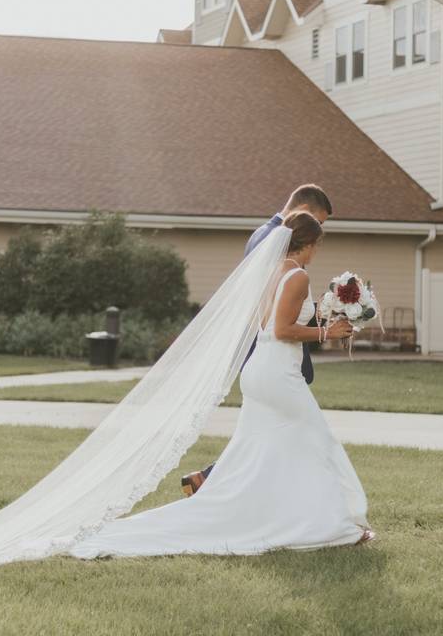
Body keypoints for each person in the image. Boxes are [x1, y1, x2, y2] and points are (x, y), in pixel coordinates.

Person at [67, 212, 373, 559]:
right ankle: (334, 524)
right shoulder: (298, 276)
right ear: (311, 244)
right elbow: (280, 331)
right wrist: (326, 333)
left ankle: (259, 508)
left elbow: (268, 322)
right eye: (318, 245)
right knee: (318, 442)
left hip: (260, 373)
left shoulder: (273, 272)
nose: (318, 251)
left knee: (262, 451)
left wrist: (327, 315)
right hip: (278, 375)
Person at [180, 184, 333, 497]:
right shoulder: (273, 242)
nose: (317, 234)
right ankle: (222, 483)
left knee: (265, 434)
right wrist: (321, 330)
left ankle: (213, 481)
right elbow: (274, 311)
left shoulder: (263, 233)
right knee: (284, 433)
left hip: (269, 355)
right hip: (271, 355)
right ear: (301, 211)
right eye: (317, 222)